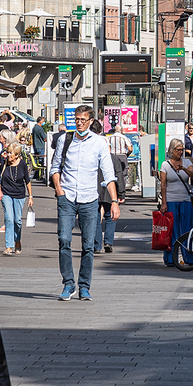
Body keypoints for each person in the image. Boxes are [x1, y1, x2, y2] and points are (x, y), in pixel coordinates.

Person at [50, 104, 117, 300]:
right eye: (77, 119)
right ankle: (68, 284)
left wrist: (114, 201)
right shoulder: (65, 139)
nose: (79, 123)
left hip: (89, 199)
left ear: (91, 121)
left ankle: (84, 286)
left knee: (88, 245)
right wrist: (59, 189)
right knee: (64, 239)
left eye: (83, 119)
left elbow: (108, 174)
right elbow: (55, 167)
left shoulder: (99, 143)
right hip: (67, 197)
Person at [157, 139, 193, 268]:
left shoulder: (186, 162)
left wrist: (184, 169)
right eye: (178, 150)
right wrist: (164, 203)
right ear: (172, 150)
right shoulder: (165, 165)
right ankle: (170, 258)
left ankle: (188, 256)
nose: (180, 152)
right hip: (171, 200)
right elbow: (163, 185)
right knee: (171, 231)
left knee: (187, 229)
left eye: (182, 150)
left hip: (185, 200)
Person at [95, 123, 130, 254]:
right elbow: (119, 176)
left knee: (96, 216)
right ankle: (108, 242)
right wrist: (121, 194)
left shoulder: (94, 157)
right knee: (110, 216)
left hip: (95, 190)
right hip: (111, 191)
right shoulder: (113, 159)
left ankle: (97, 244)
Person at [0, 142, 32, 254]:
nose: (8, 155)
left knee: (17, 220)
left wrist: (30, 196)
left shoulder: (22, 164)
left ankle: (17, 240)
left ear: (17, 154)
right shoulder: (4, 163)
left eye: (10, 153)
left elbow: (27, 181)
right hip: (6, 194)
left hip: (19, 195)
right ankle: (9, 246)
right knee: (9, 219)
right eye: (7, 152)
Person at [32, 115, 49, 181]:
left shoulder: (35, 128)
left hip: (36, 145)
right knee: (41, 161)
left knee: (37, 161)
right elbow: (44, 138)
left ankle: (36, 175)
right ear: (40, 121)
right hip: (40, 146)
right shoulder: (40, 129)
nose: (44, 123)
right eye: (43, 121)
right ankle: (39, 176)